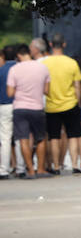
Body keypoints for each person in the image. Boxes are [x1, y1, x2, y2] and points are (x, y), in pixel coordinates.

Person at [41, 33, 81, 175]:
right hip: (70, 104)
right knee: (73, 136)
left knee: (54, 137)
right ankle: (74, 165)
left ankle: (56, 166)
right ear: (64, 44)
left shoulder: (44, 64)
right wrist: (78, 103)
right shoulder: (72, 63)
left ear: (51, 45)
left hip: (52, 105)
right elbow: (77, 86)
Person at [7, 47, 50, 178]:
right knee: (41, 138)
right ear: (30, 53)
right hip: (37, 107)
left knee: (24, 140)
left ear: (19, 55)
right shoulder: (42, 68)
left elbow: (10, 93)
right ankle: (41, 169)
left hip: (20, 108)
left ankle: (30, 171)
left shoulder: (14, 69)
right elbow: (46, 91)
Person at [0, 45, 14, 179]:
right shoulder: (20, 68)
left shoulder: (1, 70)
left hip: (4, 106)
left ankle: (4, 169)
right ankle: (22, 167)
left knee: (5, 139)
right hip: (21, 105)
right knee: (23, 138)